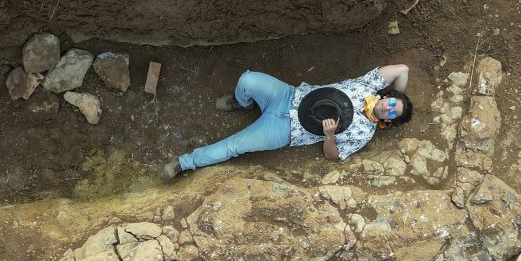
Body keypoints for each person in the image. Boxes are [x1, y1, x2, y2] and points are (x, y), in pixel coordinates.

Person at [162, 64, 414, 180]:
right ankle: (244, 103)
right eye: (392, 103)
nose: (388, 108)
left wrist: (329, 136)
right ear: (388, 96)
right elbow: (402, 70)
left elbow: (334, 157)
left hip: (287, 130)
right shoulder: (369, 86)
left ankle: (184, 163)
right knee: (247, 79)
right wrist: (402, 97)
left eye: (393, 113)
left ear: (389, 121)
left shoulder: (364, 133)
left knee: (234, 147)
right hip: (288, 95)